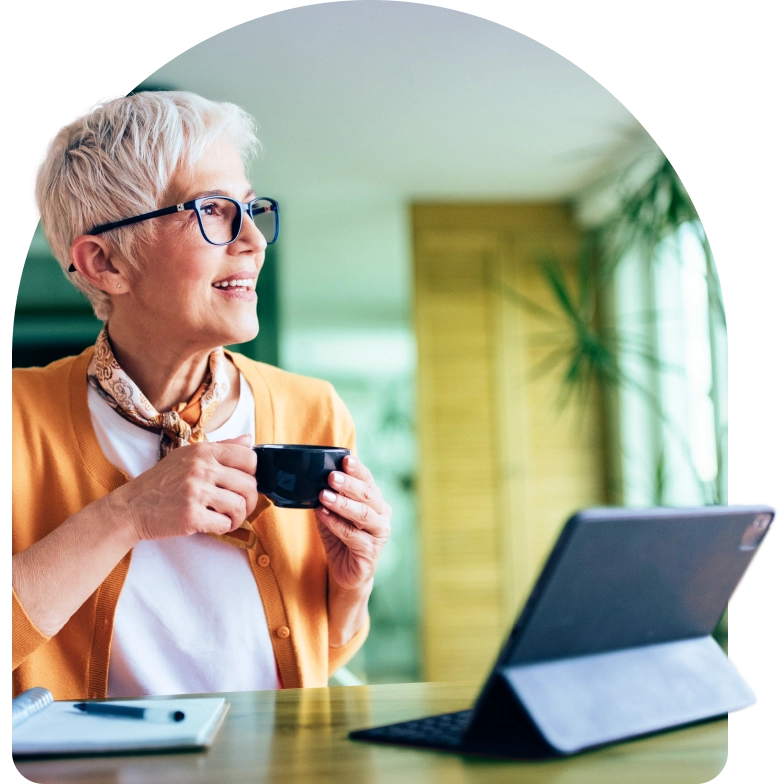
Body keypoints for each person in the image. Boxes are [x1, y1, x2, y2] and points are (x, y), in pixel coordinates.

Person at [11, 91, 391, 700]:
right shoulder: (14, 419)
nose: (255, 242)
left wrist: (352, 587)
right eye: (214, 212)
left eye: (249, 209)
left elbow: (327, 650)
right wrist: (127, 513)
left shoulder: (313, 410)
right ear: (105, 262)